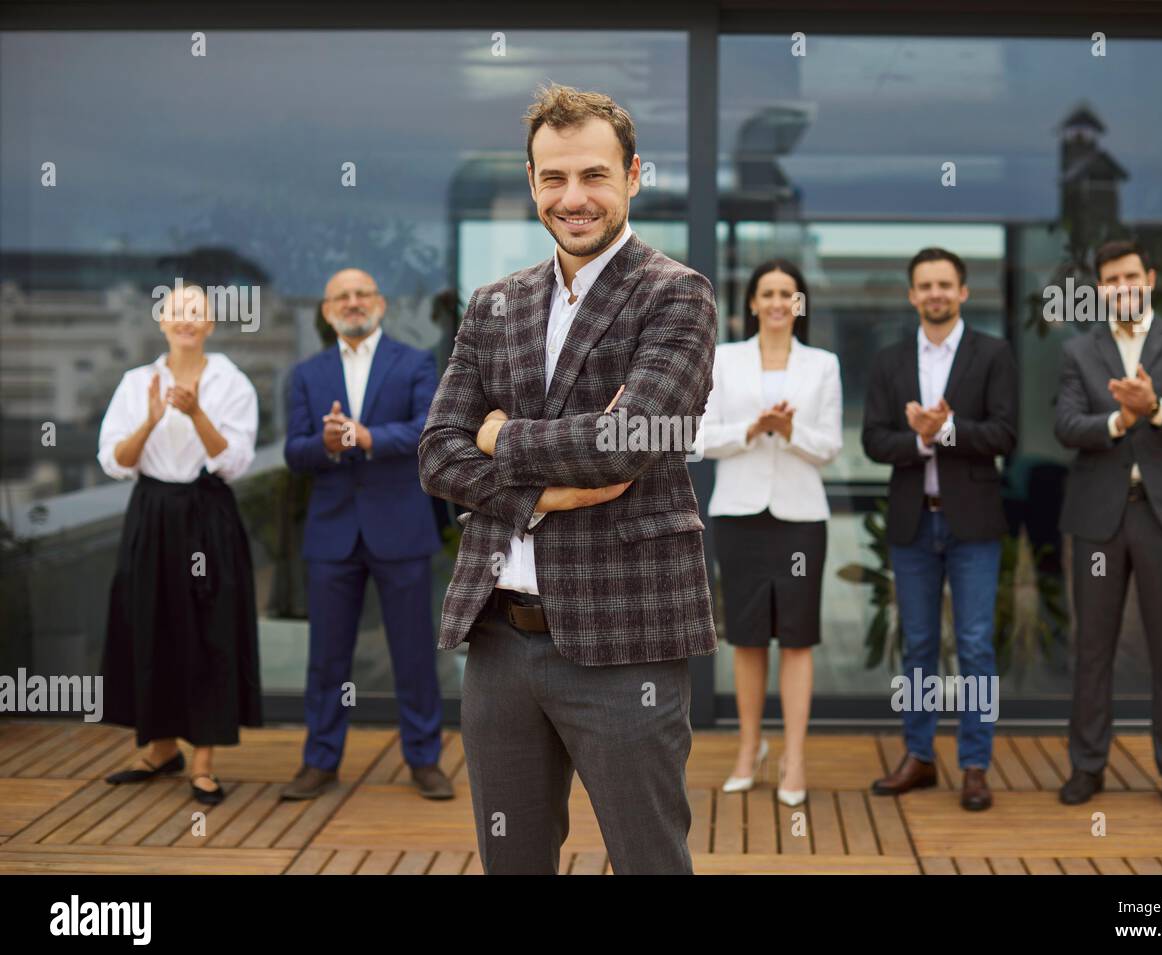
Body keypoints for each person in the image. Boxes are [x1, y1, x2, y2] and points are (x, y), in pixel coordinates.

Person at [419, 83, 717, 874]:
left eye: (593, 175)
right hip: (499, 642)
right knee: (511, 862)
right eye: (553, 178)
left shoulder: (677, 296)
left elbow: (623, 445)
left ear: (632, 176)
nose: (573, 197)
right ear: (531, 183)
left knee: (649, 859)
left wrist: (501, 434)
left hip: (626, 641)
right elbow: (438, 452)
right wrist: (544, 487)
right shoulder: (493, 305)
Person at [1055, 238, 1162, 813]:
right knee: (1092, 647)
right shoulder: (1079, 351)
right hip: (1101, 517)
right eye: (1110, 280)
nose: (1122, 288)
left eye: (1130, 277)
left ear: (1149, 278)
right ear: (1099, 290)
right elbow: (1067, 426)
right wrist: (1120, 420)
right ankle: (1087, 766)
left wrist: (1157, 408)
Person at [281, 268, 451, 801]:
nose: (353, 303)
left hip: (400, 528)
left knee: (414, 652)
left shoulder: (415, 361)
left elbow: (429, 428)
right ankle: (320, 760)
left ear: (379, 303)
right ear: (327, 310)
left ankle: (424, 760)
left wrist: (368, 435)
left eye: (362, 294)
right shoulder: (306, 374)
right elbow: (293, 451)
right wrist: (329, 444)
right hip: (333, 533)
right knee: (326, 656)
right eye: (342, 297)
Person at [862, 248, 1018, 811]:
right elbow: (874, 441)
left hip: (973, 525)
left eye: (945, 284)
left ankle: (974, 765)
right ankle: (920, 756)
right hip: (912, 523)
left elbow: (1005, 434)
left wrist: (947, 431)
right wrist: (923, 440)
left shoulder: (993, 354)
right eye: (925, 285)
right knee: (919, 645)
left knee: (975, 647)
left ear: (963, 292)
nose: (935, 293)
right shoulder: (889, 361)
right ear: (911, 295)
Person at [96, 281, 262, 806]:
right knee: (149, 621)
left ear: (210, 325)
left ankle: (204, 761)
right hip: (151, 513)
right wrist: (150, 419)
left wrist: (194, 413)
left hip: (207, 511)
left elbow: (234, 461)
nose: (186, 320)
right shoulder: (135, 382)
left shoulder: (231, 382)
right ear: (162, 322)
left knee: (209, 628)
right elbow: (115, 460)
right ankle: (158, 747)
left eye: (197, 312)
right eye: (177, 312)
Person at [694, 258, 842, 808]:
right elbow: (702, 437)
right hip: (739, 514)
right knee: (748, 638)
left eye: (789, 293)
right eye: (768, 293)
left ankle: (795, 756)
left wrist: (790, 429)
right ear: (752, 303)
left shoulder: (822, 365)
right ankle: (749, 746)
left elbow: (828, 445)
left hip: (802, 518)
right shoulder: (724, 360)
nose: (779, 302)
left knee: (798, 640)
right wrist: (754, 429)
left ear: (800, 304)